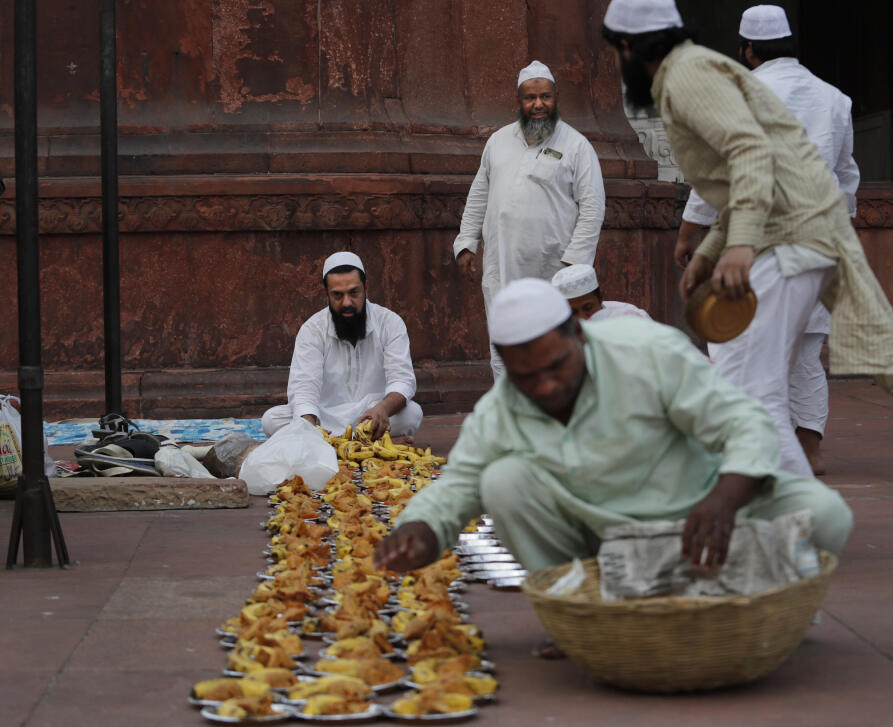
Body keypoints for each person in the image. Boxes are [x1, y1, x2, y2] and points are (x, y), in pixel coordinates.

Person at [600, 0, 893, 478]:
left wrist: (740, 245)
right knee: (754, 384)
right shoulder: (696, 71)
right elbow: (754, 173)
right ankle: (782, 513)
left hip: (787, 239)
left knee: (746, 388)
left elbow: (750, 153)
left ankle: (792, 516)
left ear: (628, 46)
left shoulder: (689, 76)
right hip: (801, 234)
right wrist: (711, 249)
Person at [375, 278, 852, 584]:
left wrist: (725, 499)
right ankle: (578, 600)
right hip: (604, 543)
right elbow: (456, 488)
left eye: (556, 366)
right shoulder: (501, 410)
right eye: (526, 376)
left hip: (701, 511)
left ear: (580, 335)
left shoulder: (647, 349)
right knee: (503, 481)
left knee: (827, 516)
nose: (545, 385)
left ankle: (700, 587)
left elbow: (744, 422)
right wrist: (419, 532)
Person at [676, 4, 861, 475]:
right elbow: (846, 180)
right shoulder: (835, 100)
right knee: (804, 351)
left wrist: (690, 231)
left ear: (748, 50)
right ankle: (809, 451)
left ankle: (751, 453)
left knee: (738, 352)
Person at [453, 60, 606, 378]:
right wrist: (466, 242)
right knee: (503, 344)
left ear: (556, 97)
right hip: (501, 265)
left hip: (553, 270)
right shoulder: (497, 141)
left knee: (552, 346)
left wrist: (574, 263)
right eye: (531, 97)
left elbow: (592, 207)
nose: (539, 104)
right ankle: (510, 416)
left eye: (546, 97)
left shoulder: (576, 145)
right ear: (519, 101)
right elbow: (479, 195)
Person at [261, 251, 422, 441]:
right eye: (337, 295)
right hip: (325, 417)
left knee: (412, 414)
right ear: (326, 294)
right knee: (271, 420)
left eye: (354, 293)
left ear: (365, 288)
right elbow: (304, 387)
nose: (347, 302)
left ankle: (336, 446)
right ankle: (371, 443)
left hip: (373, 415)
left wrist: (383, 409)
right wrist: (310, 427)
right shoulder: (312, 329)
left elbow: (403, 380)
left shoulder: (390, 322)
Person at [550, 263, 651, 321]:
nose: (582, 318)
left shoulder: (631, 317)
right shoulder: (561, 331)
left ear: (600, 298)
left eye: (588, 308)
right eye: (574, 313)